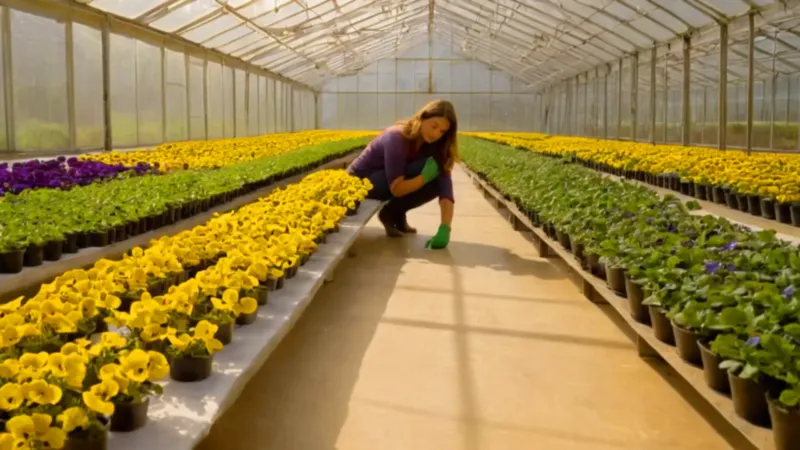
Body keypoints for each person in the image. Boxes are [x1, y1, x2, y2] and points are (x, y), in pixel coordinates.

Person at [346, 99, 458, 250]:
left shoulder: (433, 144)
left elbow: (445, 186)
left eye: (442, 132)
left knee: (437, 178)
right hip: (360, 182)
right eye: (434, 126)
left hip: (386, 180)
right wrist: (423, 178)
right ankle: (394, 214)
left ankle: (392, 214)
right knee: (422, 168)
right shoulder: (397, 137)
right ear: (423, 117)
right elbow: (396, 188)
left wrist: (445, 227)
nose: (436, 134)